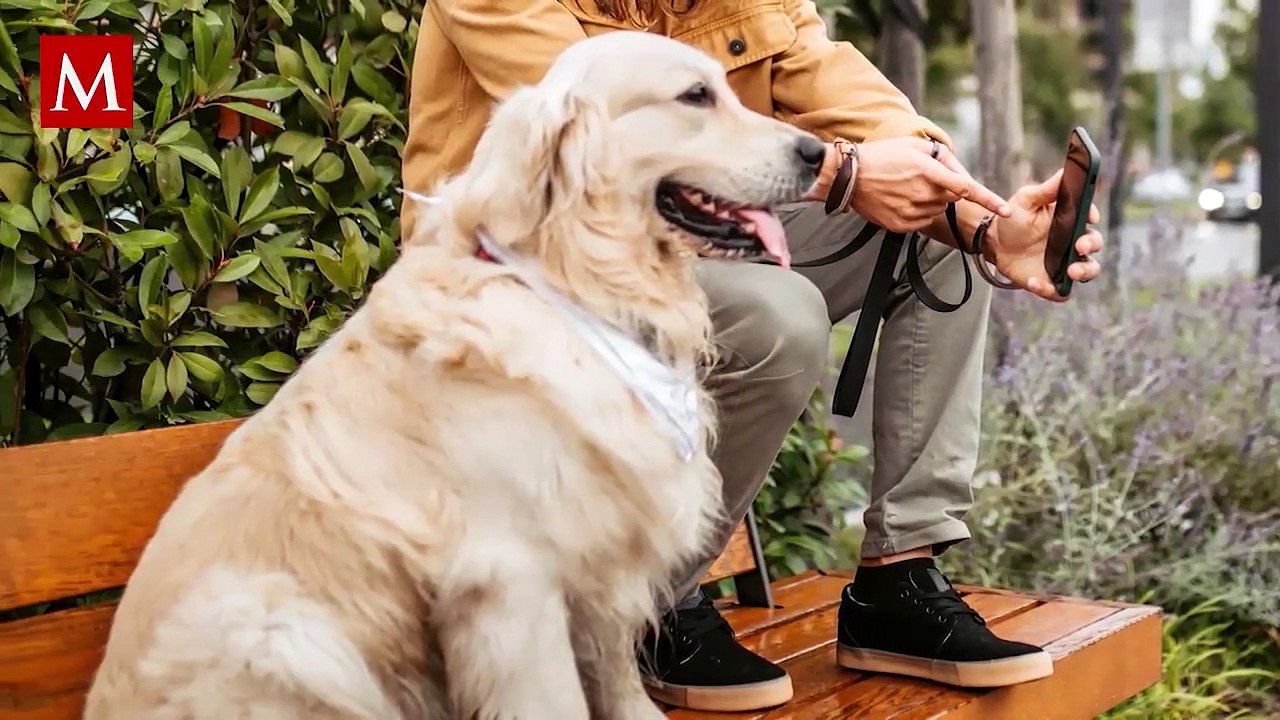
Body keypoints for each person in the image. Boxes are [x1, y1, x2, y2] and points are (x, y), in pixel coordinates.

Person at [401, 0, 1105, 712]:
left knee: (937, 249)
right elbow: (589, 125)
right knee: (781, 317)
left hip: (678, 236)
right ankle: (648, 604)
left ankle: (900, 579)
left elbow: (832, 79)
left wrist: (984, 225)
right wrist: (846, 174)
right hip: (527, 269)